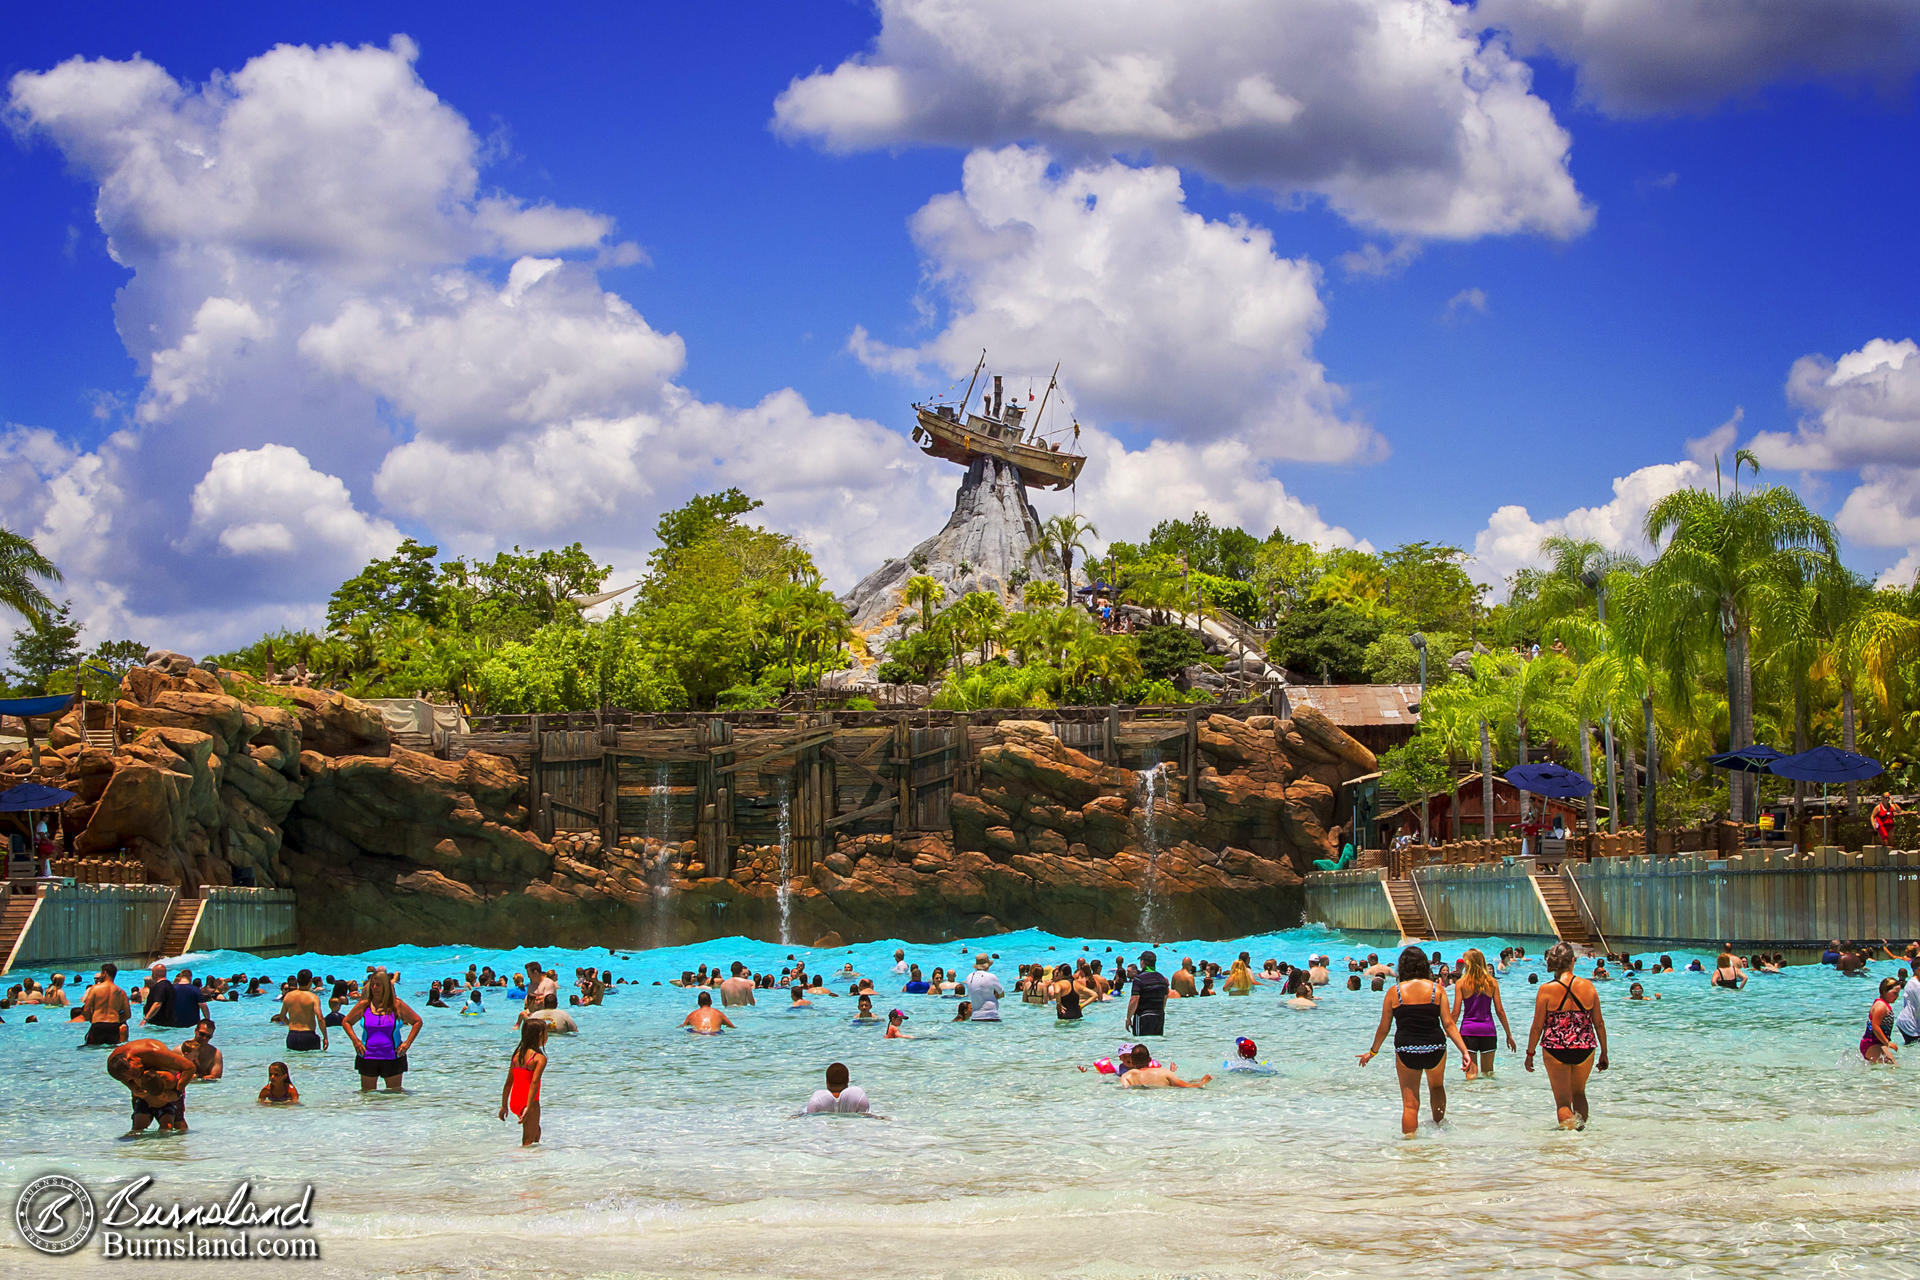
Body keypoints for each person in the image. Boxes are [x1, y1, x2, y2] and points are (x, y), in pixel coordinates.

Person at [1358, 946, 1475, 1136]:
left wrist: (1372, 1052)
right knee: (1436, 1087)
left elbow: (1383, 1028)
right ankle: (1439, 1130)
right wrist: (1464, 1051)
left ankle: (1410, 1149)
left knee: (1410, 1103)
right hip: (1435, 1047)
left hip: (1407, 1049)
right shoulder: (1436, 990)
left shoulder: (1394, 992)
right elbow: (1449, 1024)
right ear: (1423, 965)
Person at [1525, 942, 1610, 1130]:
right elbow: (1599, 1023)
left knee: (1563, 1102)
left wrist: (1530, 1053)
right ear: (1573, 961)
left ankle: (1568, 1145)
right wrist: (1604, 1052)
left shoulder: (1546, 990)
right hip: (1585, 1048)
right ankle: (1580, 1138)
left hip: (1556, 1049)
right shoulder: (1588, 986)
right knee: (1579, 1093)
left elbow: (1537, 1027)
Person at [344, 970, 421, 1091]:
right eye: (372, 984)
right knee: (368, 1097)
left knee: (394, 1096)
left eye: (378, 985)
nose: (375, 988)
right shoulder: (364, 1005)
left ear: (386, 986)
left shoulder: (397, 1005)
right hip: (367, 1057)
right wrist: (356, 1041)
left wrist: (407, 1044)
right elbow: (346, 1022)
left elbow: (417, 1022)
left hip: (393, 1057)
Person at [1451, 948, 1517, 1078]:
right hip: (1488, 1031)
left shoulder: (1461, 983)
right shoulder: (1492, 982)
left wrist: (1448, 1030)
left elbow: (1456, 1012)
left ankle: (1470, 1097)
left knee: (1471, 1073)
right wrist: (1508, 1034)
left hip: (1468, 1031)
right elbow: (1500, 1011)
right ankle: (1489, 1098)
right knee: (1488, 1074)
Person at [109, 1039, 196, 1135]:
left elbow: (190, 1067)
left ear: (132, 1059)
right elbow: (122, 1078)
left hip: (167, 1086)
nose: (136, 1077)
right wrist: (132, 1087)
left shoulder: (155, 1052)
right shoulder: (114, 1064)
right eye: (131, 1077)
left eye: (135, 1072)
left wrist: (177, 1092)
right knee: (137, 1130)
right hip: (145, 1094)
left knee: (179, 1126)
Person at [500, 1020, 548, 1146]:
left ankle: (536, 1163)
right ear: (540, 1036)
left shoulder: (517, 1055)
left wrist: (504, 1105)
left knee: (536, 1132)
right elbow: (534, 1083)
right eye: (546, 1033)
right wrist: (528, 1106)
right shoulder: (539, 1058)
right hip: (530, 1102)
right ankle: (519, 1162)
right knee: (528, 1142)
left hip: (515, 1102)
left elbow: (508, 1083)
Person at [79, 963, 130, 1047]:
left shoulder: (94, 989)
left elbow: (86, 1009)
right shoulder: (121, 992)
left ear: (105, 973)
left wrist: (90, 1019)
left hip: (98, 1025)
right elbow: (127, 1015)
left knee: (89, 1050)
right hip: (113, 1026)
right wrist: (116, 1020)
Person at [1118, 1043, 1210, 1089]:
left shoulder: (1126, 1076)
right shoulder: (1164, 1072)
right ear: (1150, 1059)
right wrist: (1201, 1084)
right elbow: (1186, 1086)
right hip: (1162, 1099)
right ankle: (1200, 1081)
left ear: (1133, 1062)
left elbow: (1126, 1091)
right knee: (1188, 1083)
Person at [1126, 950, 1171, 1037]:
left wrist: (1128, 1018)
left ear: (1142, 962)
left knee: (1140, 1045)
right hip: (1159, 1017)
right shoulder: (1162, 979)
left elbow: (1134, 999)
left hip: (1143, 1017)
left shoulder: (1139, 979)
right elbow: (1165, 999)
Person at [281, 969, 327, 1052]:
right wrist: (325, 1037)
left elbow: (282, 1016)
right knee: (311, 1063)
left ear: (298, 981)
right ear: (310, 981)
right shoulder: (313, 997)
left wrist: (290, 1024)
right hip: (308, 1036)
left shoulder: (288, 996)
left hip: (292, 1036)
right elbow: (320, 1018)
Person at [802, 1061, 873, 1114]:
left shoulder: (817, 1099)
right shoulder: (858, 1096)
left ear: (827, 1082)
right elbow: (867, 1117)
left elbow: (808, 1117)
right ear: (848, 1080)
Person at [963, 954, 1004, 1022]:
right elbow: (1002, 994)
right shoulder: (991, 976)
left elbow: (970, 994)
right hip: (992, 1016)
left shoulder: (969, 977)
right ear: (987, 966)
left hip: (975, 1017)